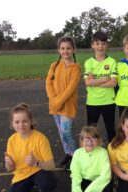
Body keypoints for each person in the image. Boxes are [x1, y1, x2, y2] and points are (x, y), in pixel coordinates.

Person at [3, 103, 58, 192]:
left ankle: (44, 190)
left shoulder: (40, 138)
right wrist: (9, 163)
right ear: (12, 123)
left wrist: (36, 162)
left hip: (38, 171)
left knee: (48, 182)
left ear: (31, 121)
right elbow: (10, 169)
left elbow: (51, 165)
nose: (21, 125)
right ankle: (25, 190)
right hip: (21, 175)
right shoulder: (12, 140)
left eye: (25, 121)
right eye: (17, 122)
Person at [46, 36, 81, 169]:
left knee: (66, 132)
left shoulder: (75, 68)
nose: (65, 51)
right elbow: (48, 83)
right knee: (61, 132)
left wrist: (58, 102)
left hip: (67, 106)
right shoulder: (54, 66)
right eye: (62, 48)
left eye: (68, 48)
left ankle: (76, 156)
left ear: (73, 50)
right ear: (59, 50)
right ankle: (68, 154)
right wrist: (54, 100)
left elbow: (70, 90)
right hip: (55, 105)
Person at [70, 126, 114, 192]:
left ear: (98, 140)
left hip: (101, 179)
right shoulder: (77, 153)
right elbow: (75, 174)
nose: (89, 142)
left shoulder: (103, 152)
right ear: (81, 141)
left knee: (108, 185)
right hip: (86, 179)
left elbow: (106, 176)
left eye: (93, 138)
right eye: (86, 139)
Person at [84, 31, 118, 143]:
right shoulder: (88, 63)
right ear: (92, 45)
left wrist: (95, 81)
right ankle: (91, 154)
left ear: (107, 45)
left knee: (110, 129)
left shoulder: (112, 62)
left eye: (103, 43)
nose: (100, 46)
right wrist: (104, 79)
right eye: (97, 43)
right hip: (93, 101)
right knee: (91, 131)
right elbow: (88, 83)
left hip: (109, 101)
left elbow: (113, 83)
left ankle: (112, 154)